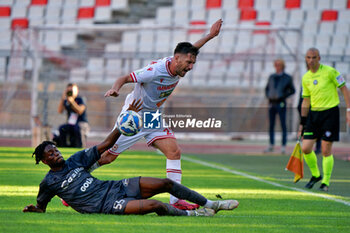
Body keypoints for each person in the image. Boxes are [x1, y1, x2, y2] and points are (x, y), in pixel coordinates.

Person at [23, 100, 239, 217]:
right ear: (44, 161)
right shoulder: (48, 183)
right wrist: (36, 209)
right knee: (155, 205)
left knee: (165, 183)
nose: (56, 153)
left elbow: (106, 145)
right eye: (50, 153)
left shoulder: (76, 159)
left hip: (114, 187)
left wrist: (123, 122)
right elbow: (41, 206)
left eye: (56, 150)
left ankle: (212, 204)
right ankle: (197, 216)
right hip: (105, 205)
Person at [94, 19, 223, 210]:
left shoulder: (179, 61)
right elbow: (125, 77)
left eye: (193, 63)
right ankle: (75, 182)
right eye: (189, 62)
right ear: (177, 58)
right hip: (134, 115)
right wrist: (115, 89)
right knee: (107, 157)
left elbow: (191, 48)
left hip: (152, 116)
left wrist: (211, 36)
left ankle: (176, 201)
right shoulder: (154, 71)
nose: (190, 67)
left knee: (174, 152)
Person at [299, 48, 350, 192]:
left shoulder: (330, 72)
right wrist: (302, 123)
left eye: (314, 57)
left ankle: (325, 182)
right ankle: (316, 175)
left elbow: (344, 89)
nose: (311, 60)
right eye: (308, 58)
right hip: (314, 116)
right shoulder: (306, 77)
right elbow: (306, 101)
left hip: (330, 114)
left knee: (326, 149)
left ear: (319, 58)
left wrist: (348, 110)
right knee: (306, 148)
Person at [264, 59, 295, 154]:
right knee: (271, 125)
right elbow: (267, 88)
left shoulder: (287, 78)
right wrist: (268, 96)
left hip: (281, 103)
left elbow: (292, 90)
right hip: (272, 103)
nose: (277, 66)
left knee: (283, 125)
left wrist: (283, 95)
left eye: (279, 65)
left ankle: (283, 146)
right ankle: (271, 144)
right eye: (276, 65)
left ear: (282, 66)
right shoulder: (271, 77)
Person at [54, 83, 90, 148]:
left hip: (81, 123)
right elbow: (60, 111)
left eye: (72, 91)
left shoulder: (80, 99)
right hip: (71, 124)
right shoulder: (66, 101)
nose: (70, 92)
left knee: (77, 128)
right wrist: (63, 98)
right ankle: (63, 147)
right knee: (62, 128)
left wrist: (72, 102)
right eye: (68, 91)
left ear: (77, 91)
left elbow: (80, 111)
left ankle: (80, 147)